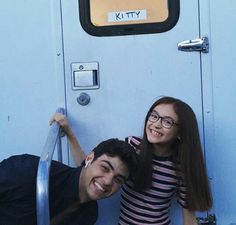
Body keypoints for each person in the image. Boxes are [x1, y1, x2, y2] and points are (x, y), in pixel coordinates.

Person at [52, 96, 213, 225]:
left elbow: (189, 218)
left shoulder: (180, 167)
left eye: (167, 121)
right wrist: (68, 132)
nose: (156, 124)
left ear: (180, 132)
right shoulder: (132, 146)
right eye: (154, 116)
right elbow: (87, 167)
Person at [0, 138, 139, 225]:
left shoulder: (89, 215)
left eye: (118, 179)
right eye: (105, 168)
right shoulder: (28, 171)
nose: (108, 181)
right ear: (89, 159)